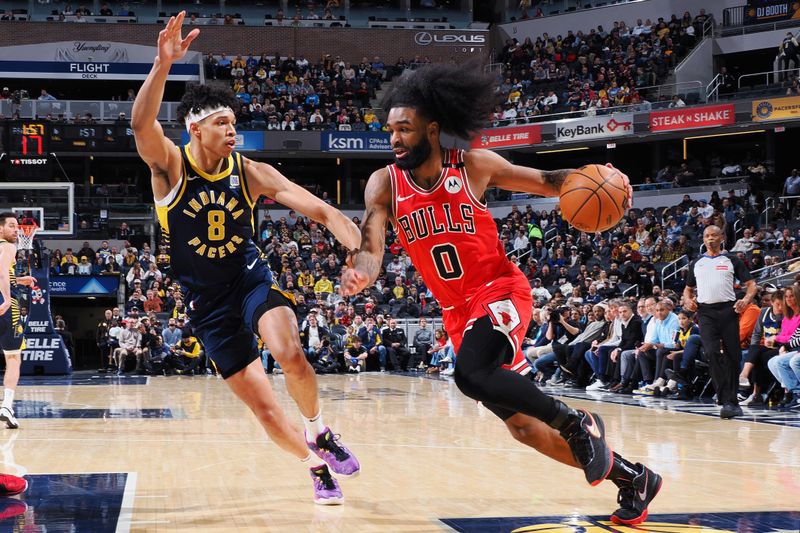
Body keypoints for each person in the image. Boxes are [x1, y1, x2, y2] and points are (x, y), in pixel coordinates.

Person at [341, 62, 661, 526]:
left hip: (499, 291)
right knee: (524, 429)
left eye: (404, 129)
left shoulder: (473, 166)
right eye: (390, 129)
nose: (393, 139)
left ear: (432, 129)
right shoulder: (385, 183)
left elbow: (550, 181)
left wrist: (601, 175)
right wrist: (361, 273)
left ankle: (578, 423)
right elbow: (371, 246)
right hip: (457, 313)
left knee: (470, 374)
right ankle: (633, 477)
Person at [131, 12, 360, 505]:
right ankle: (314, 464)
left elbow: (313, 204)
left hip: (248, 278)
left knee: (289, 351)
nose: (232, 129)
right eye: (221, 123)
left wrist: (346, 232)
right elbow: (140, 123)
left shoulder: (250, 171)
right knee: (267, 414)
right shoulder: (170, 166)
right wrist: (163, 63)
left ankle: (319, 430)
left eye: (234, 122)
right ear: (195, 129)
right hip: (206, 303)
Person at [683, 225, 757, 419]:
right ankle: (725, 399)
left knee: (733, 355)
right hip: (705, 312)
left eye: (714, 235)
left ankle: (731, 401)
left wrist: (746, 300)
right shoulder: (697, 262)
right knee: (712, 353)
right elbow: (688, 289)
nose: (710, 239)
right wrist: (688, 300)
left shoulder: (732, 259)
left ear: (722, 237)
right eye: (707, 236)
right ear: (703, 239)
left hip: (728, 310)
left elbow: (751, 285)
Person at [0, 213, 37, 429]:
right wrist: (6, 298)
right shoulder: (7, 247)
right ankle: (6, 406)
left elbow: (6, 274)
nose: (17, 230)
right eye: (12, 226)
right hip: (6, 306)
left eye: (17, 226)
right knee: (13, 358)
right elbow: (2, 272)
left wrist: (20, 280)